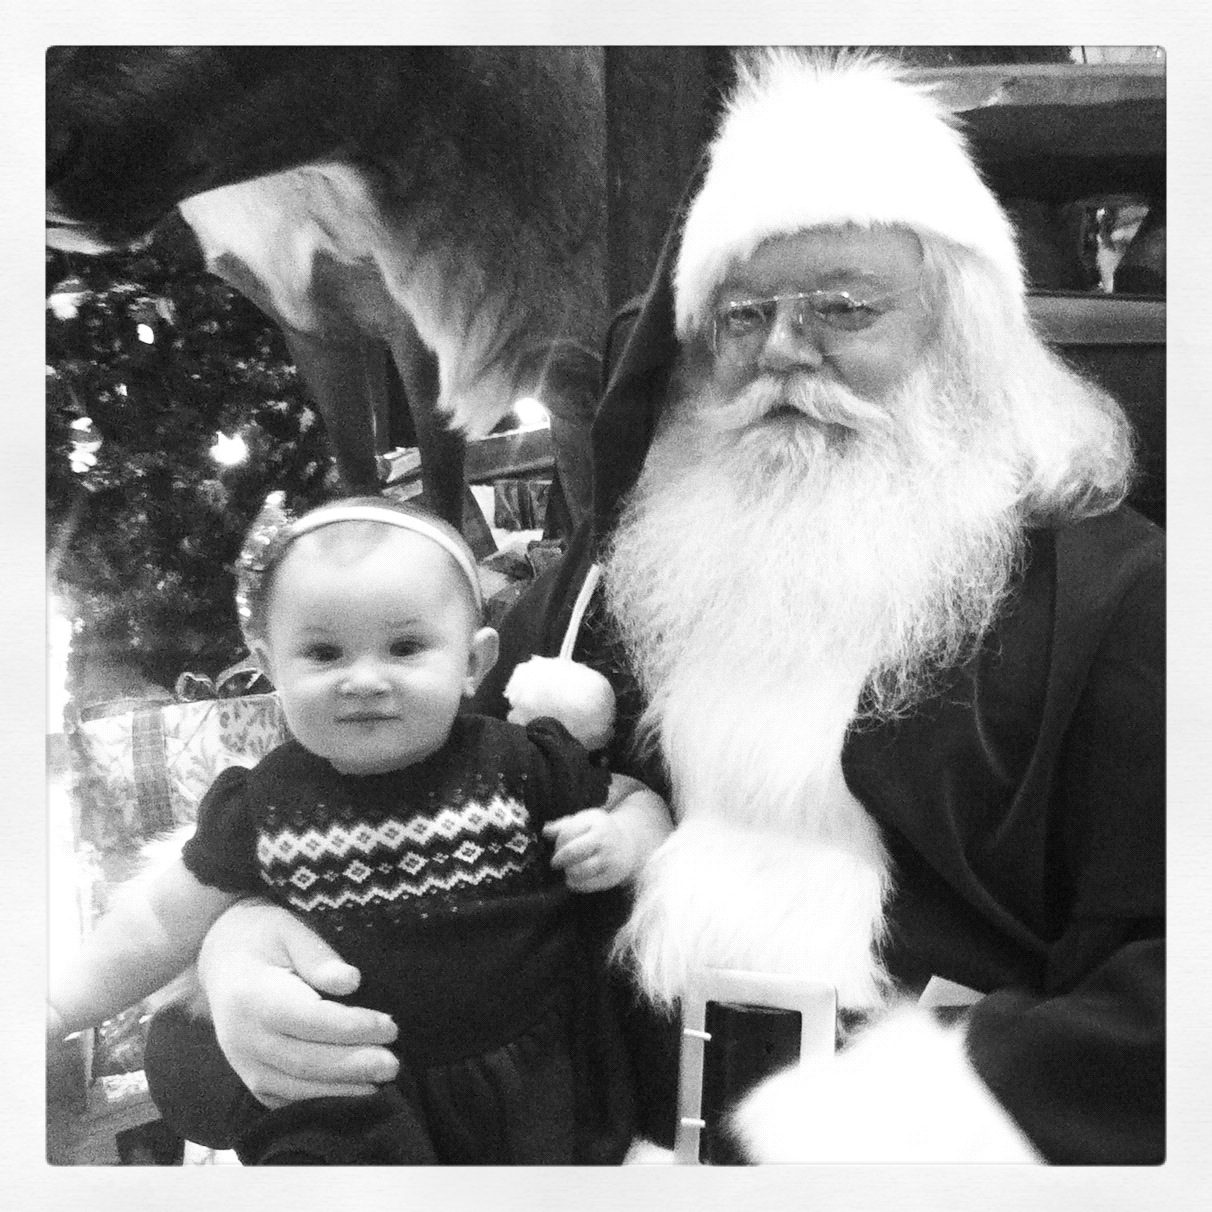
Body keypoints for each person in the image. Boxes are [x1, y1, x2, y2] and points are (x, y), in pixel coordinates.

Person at [143, 50, 1164, 1164]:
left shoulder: (1119, 602)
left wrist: (930, 1112)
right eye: (740, 317)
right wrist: (243, 946)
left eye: (846, 308)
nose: (783, 350)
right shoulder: (617, 583)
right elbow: (371, 801)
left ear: (962, 334)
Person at [50, 495, 671, 1164]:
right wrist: (55, 1009)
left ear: (473, 662)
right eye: (324, 653)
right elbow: (156, 922)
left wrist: (627, 841)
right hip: (349, 1104)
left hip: (539, 1088)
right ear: (270, 663)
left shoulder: (520, 764)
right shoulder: (263, 807)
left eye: (405, 647)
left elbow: (637, 801)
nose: (365, 680)